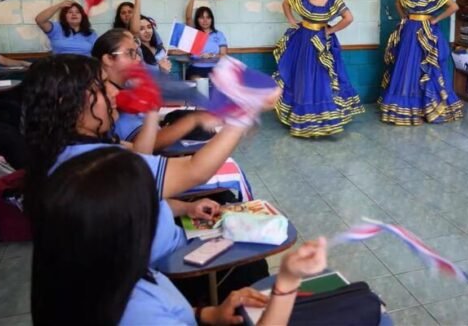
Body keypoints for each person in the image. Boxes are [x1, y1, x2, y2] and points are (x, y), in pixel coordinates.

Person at [21, 54, 279, 268]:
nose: (112, 94)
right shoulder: (96, 167)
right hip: (167, 263)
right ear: (68, 104)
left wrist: (184, 208)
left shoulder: (63, 153)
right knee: (251, 265)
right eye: (100, 87)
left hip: (155, 242)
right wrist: (243, 110)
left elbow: (132, 198)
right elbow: (195, 170)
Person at [31, 146, 328, 325]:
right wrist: (287, 282)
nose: (160, 210)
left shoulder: (91, 275)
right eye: (152, 204)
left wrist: (208, 315)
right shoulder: (137, 313)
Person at [273, 0, 364, 137]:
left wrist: (330, 30)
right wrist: (292, 21)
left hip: (321, 42)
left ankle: (322, 119)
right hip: (302, 40)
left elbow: (348, 18)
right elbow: (286, 4)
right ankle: (302, 118)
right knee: (302, 76)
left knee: (322, 78)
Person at [92, 29, 220, 152]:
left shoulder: (126, 86)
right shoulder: (106, 99)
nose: (137, 59)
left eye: (137, 52)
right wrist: (193, 121)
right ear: (108, 59)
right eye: (130, 53)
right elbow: (146, 146)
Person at [378, 0, 462, 125]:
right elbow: (397, 3)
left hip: (426, 33)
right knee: (406, 66)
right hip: (409, 31)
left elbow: (454, 7)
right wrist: (404, 17)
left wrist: (436, 19)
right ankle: (407, 107)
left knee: (424, 67)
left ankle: (427, 107)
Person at [184, 0, 228, 80]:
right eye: (201, 17)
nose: (205, 20)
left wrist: (211, 55)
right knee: (198, 84)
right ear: (197, 19)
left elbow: (224, 55)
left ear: (212, 19)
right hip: (196, 69)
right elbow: (188, 18)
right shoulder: (194, 33)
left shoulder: (219, 34)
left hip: (215, 70)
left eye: (208, 17)